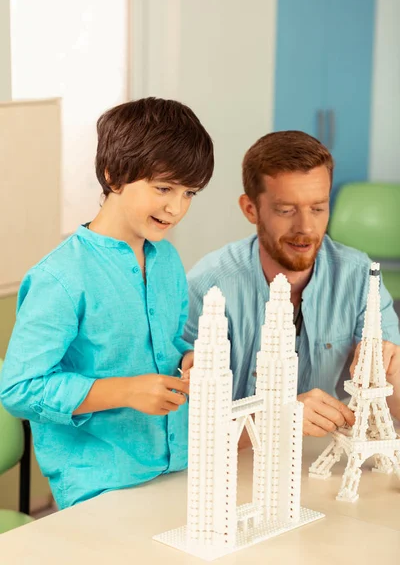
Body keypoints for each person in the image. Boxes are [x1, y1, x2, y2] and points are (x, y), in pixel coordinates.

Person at [0, 97, 213, 508]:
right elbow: (19, 389)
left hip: (178, 469)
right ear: (113, 175)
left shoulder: (166, 258)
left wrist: (189, 359)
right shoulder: (61, 277)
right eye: (164, 188)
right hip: (101, 487)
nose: (176, 208)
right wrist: (126, 391)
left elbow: (167, 343)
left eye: (189, 193)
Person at [182, 131, 400, 438]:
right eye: (286, 211)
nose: (305, 228)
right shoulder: (206, 288)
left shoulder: (359, 275)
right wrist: (277, 419)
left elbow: (394, 403)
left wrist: (389, 371)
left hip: (316, 460)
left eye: (318, 208)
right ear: (250, 209)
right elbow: (181, 427)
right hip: (232, 464)